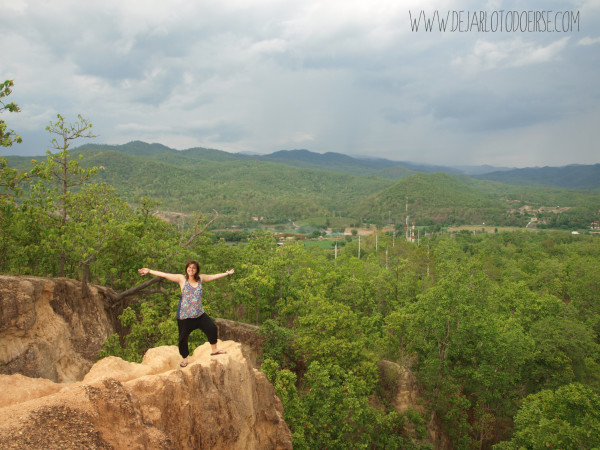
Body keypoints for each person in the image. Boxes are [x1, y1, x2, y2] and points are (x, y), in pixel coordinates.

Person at [138, 261, 234, 367]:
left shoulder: (200, 279)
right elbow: (165, 275)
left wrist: (227, 273)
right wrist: (149, 271)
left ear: (197, 270)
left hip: (199, 314)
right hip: (185, 316)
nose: (191, 270)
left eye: (193, 268)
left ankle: (214, 349)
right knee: (183, 339)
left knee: (212, 328)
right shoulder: (181, 279)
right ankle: (185, 358)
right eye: (189, 267)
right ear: (186, 268)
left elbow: (213, 276)